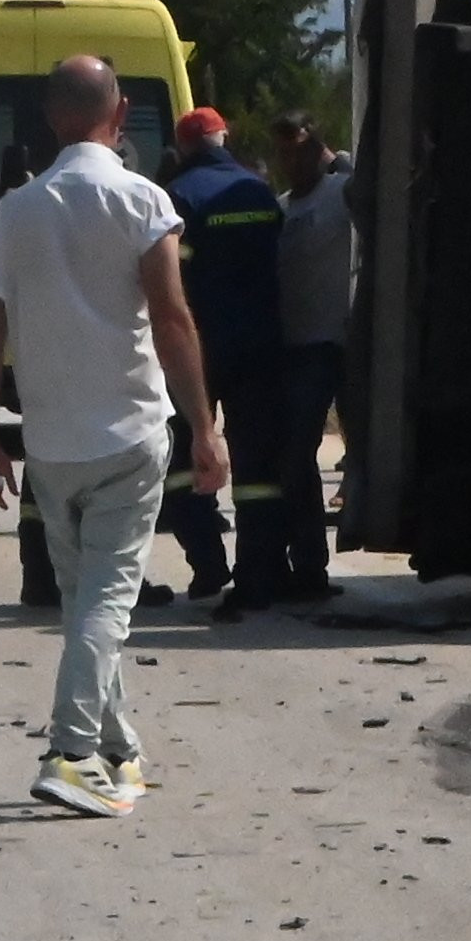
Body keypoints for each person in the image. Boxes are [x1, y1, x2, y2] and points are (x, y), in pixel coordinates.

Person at [0, 56, 225, 820]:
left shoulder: (17, 210)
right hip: (129, 434)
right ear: (120, 116)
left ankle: (117, 747)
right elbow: (174, 322)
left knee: (84, 601)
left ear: (51, 119)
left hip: (50, 442)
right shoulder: (143, 201)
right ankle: (71, 752)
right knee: (107, 604)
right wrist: (206, 428)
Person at [157, 107, 289, 616]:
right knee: (257, 467)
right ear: (224, 138)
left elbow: (171, 279)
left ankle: (209, 562)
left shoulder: (181, 197)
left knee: (188, 458)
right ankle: (257, 577)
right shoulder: (257, 192)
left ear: (184, 148)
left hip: (202, 344)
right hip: (260, 342)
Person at [271, 113, 355, 600]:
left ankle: (310, 565)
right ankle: (300, 563)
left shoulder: (339, 195)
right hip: (291, 346)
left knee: (308, 451)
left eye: (299, 148)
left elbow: (374, 184)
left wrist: (333, 157)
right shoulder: (281, 209)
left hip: (329, 343)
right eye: (282, 150)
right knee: (291, 457)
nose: (289, 159)